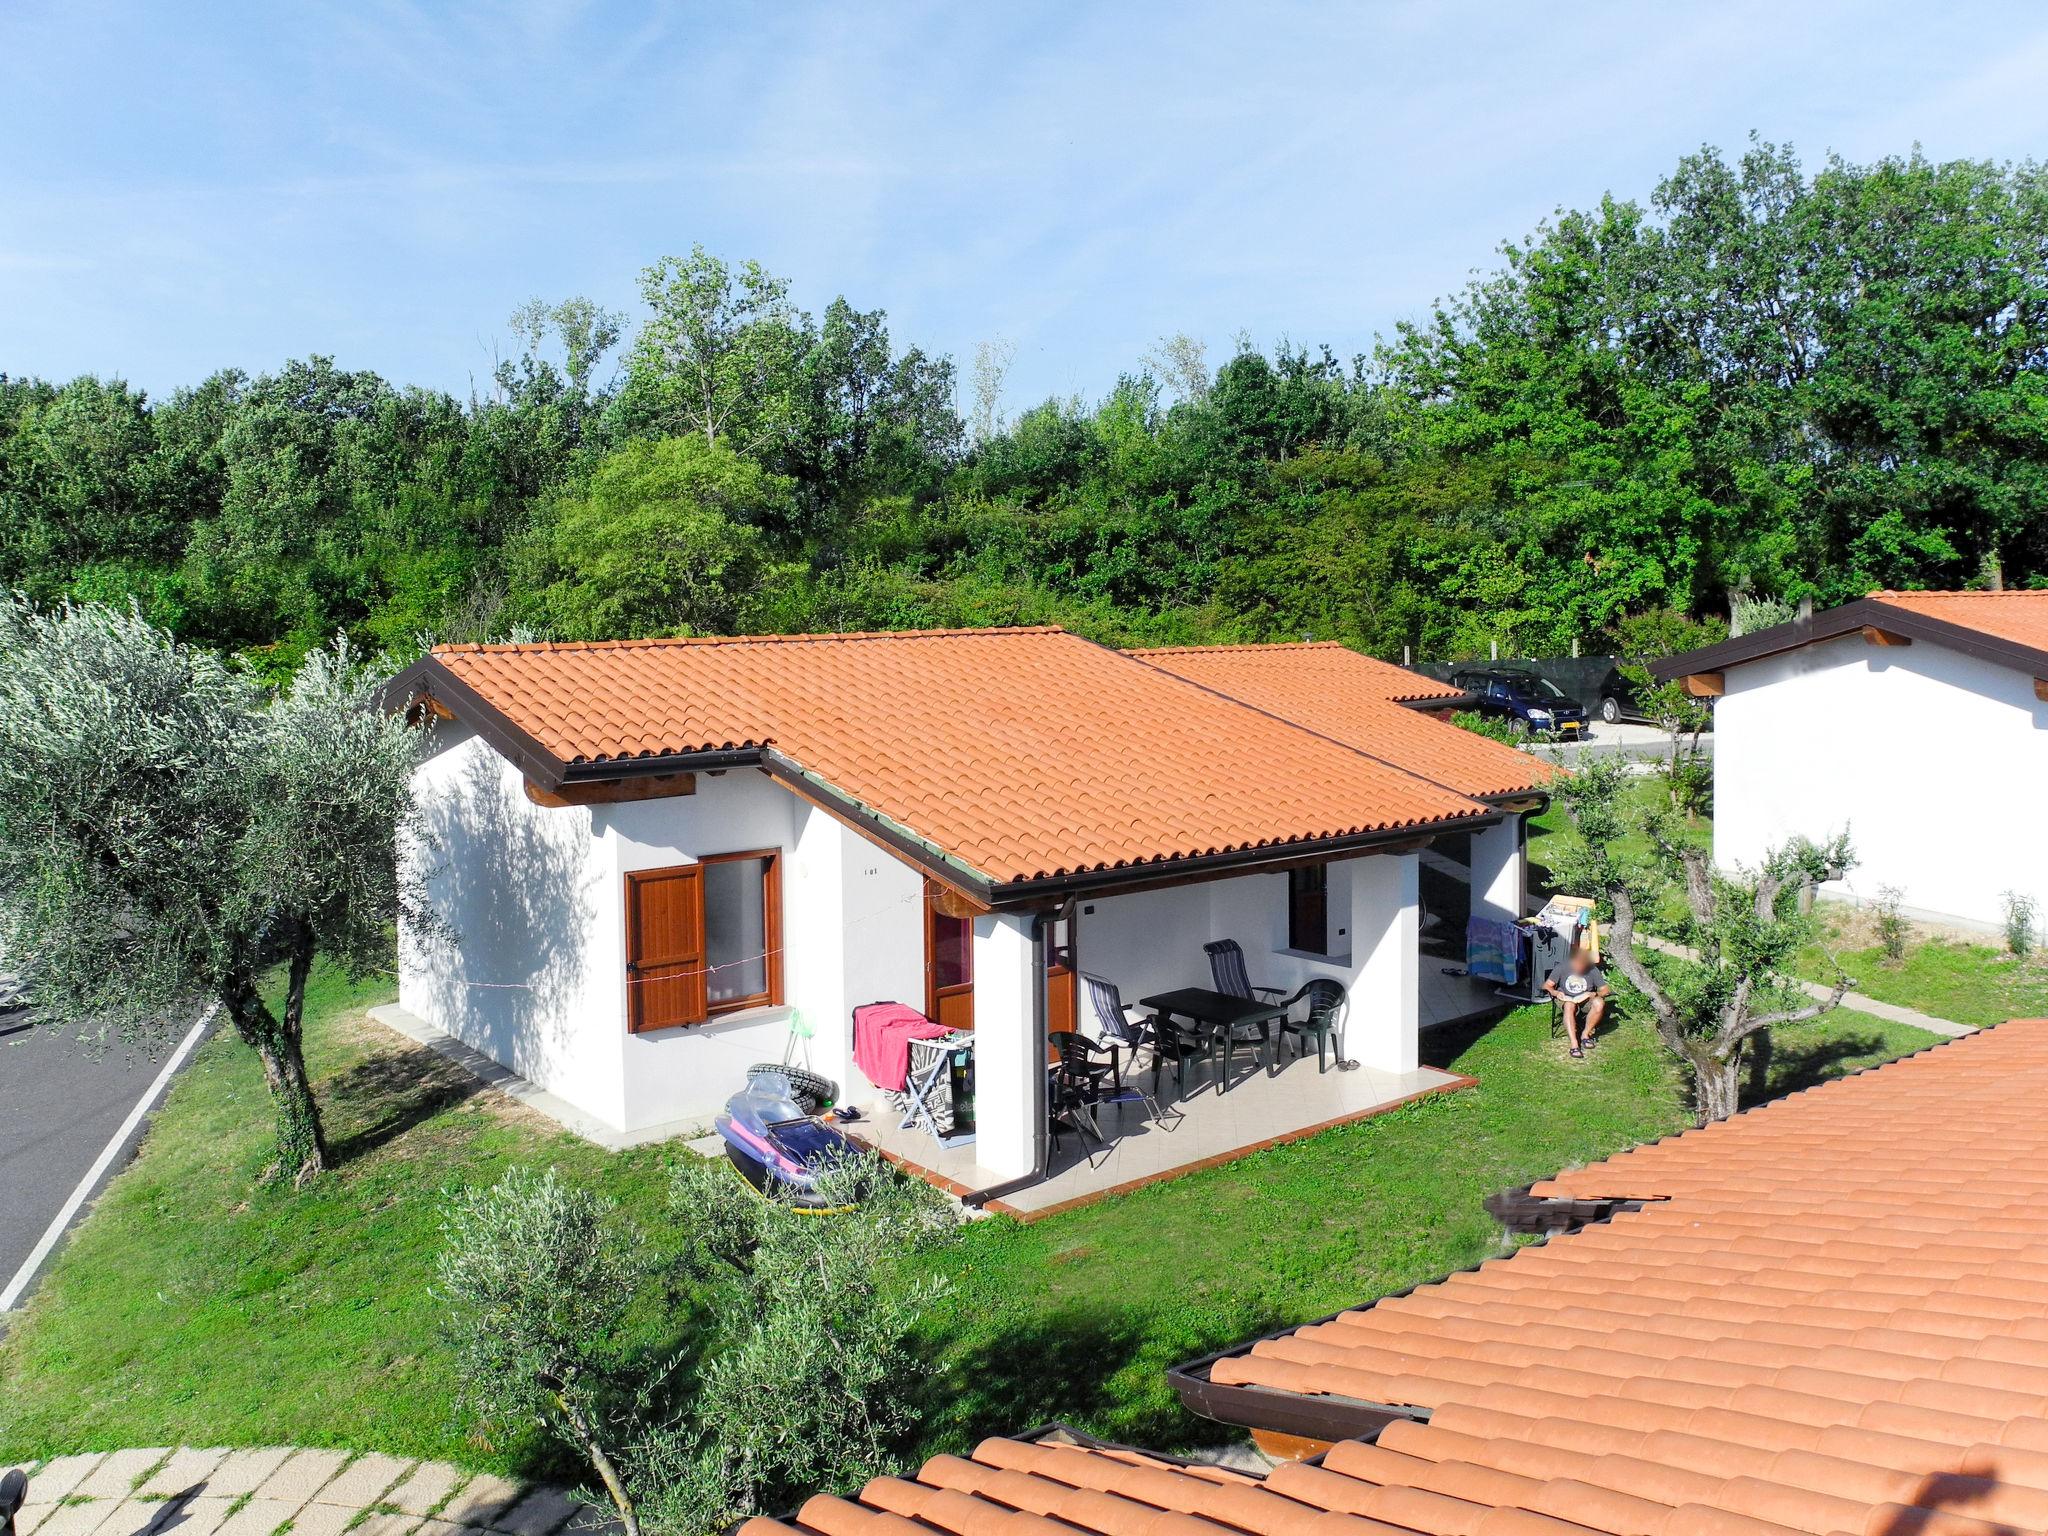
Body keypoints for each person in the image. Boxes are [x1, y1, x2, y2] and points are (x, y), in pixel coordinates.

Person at [1544, 947, 1609, 1059]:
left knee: (1599, 1003)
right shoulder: (1562, 967)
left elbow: (1605, 990)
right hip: (1565, 997)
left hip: (1585, 999)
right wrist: (1555, 993)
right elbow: (1547, 985)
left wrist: (1593, 995)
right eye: (1578, 966)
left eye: (1583, 967)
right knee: (1570, 1005)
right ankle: (1574, 1044)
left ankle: (1585, 1035)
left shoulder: (1592, 970)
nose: (1580, 969)